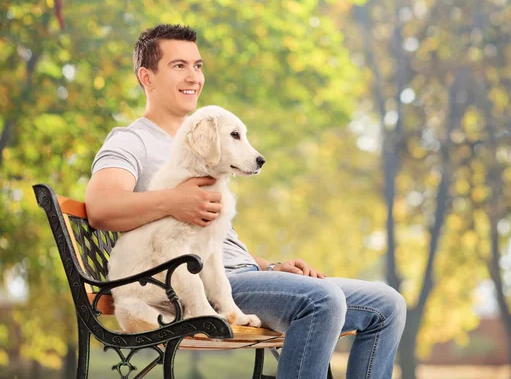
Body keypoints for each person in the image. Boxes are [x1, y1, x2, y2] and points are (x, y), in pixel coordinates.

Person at [85, 24, 406, 379]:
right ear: (147, 77)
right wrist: (173, 201)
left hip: (243, 276)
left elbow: (215, 242)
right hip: (197, 285)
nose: (194, 76)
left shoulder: (215, 140)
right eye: (179, 66)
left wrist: (271, 267)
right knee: (321, 301)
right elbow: (101, 208)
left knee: (387, 305)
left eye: (198, 65)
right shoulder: (132, 142)